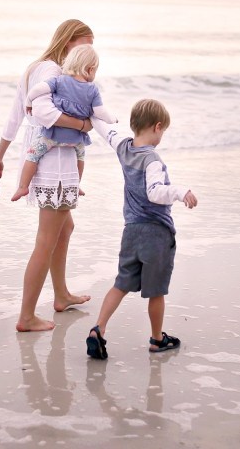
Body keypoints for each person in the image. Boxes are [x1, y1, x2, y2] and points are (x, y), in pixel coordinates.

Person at [0, 19, 95, 332]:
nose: (89, 51)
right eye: (84, 44)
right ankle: (26, 317)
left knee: (65, 227)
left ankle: (61, 295)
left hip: (45, 158)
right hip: (54, 162)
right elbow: (44, 114)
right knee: (46, 239)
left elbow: (15, 114)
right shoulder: (54, 72)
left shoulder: (37, 67)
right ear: (68, 41)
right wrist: (83, 125)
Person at [85, 99, 198, 360]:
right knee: (156, 291)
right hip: (156, 234)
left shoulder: (124, 147)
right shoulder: (153, 160)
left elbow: (105, 131)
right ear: (157, 127)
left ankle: (98, 329)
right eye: (163, 131)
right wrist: (181, 192)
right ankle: (158, 339)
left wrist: (90, 109)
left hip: (131, 231)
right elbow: (155, 192)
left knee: (121, 284)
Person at [11, 44, 117, 202]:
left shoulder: (59, 81)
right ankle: (76, 185)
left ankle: (23, 187)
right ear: (90, 69)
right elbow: (100, 112)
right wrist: (112, 119)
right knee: (80, 158)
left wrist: (28, 101)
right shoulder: (92, 90)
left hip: (52, 135)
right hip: (75, 139)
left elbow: (39, 89)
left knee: (32, 155)